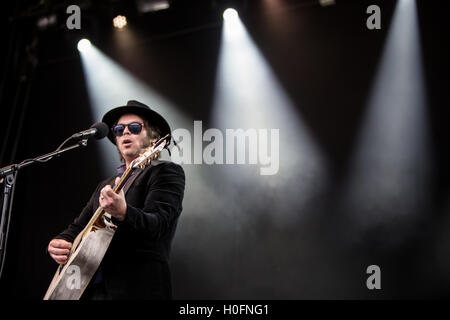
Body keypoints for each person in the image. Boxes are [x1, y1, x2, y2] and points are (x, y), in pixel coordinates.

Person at [47, 100, 185, 299]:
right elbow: (79, 227)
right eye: (119, 129)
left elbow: (160, 224)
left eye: (135, 128)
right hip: (92, 290)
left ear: (154, 138)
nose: (125, 133)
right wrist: (60, 241)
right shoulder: (107, 183)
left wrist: (125, 213)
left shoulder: (166, 172)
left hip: (138, 289)